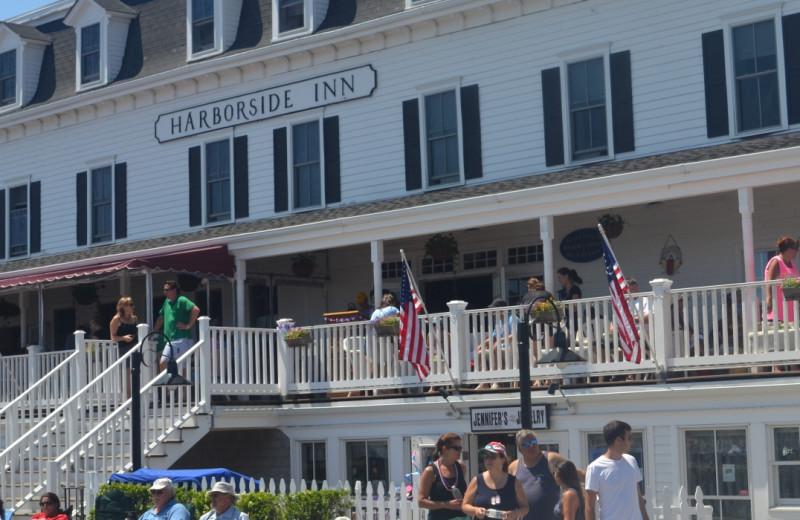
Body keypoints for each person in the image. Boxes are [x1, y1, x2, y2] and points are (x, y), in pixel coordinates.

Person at [508, 430, 581, 520]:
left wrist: (596, 481)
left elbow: (574, 473)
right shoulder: (513, 467)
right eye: (526, 444)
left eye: (533, 442)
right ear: (519, 449)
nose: (531, 446)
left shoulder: (550, 459)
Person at [585, 420, 648, 520]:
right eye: (629, 438)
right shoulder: (595, 468)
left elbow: (639, 497)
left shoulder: (631, 461)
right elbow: (589, 506)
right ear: (618, 440)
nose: (632, 441)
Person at [462, 442, 528, 520]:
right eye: (485, 456)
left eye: (492, 456)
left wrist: (515, 514)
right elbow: (465, 506)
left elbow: (525, 507)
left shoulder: (513, 482)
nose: (488, 460)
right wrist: (475, 510)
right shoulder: (477, 480)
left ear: (503, 460)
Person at [418, 433, 468, 520]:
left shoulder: (461, 468)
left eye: (461, 448)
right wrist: (446, 504)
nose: (460, 451)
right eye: (457, 448)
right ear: (444, 449)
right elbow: (421, 502)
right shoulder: (430, 471)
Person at [154, 280, 201, 370]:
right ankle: (168, 384)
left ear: (174, 290)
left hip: (182, 339)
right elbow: (161, 318)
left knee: (183, 367)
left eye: (167, 290)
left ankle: (183, 385)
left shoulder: (181, 299)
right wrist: (155, 331)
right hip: (169, 340)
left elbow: (196, 310)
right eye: (164, 290)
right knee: (163, 363)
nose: (165, 292)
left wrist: (188, 325)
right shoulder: (166, 302)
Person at [477, 299, 522, 389]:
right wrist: (483, 344)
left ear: (502, 310)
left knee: (496, 349)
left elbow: (515, 334)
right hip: (500, 349)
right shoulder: (499, 322)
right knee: (480, 353)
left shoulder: (512, 318)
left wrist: (500, 341)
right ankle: (483, 383)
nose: (493, 312)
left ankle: (497, 381)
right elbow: (494, 336)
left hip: (511, 349)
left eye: (494, 310)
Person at [765, 236, 799, 324]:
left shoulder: (792, 263)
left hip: (791, 313)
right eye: (796, 249)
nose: (797, 252)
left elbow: (792, 284)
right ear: (789, 250)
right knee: (779, 337)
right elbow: (769, 282)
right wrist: (769, 300)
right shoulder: (776, 261)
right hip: (777, 313)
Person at [110, 296, 139, 397]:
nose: (133, 307)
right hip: (124, 349)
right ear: (124, 307)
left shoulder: (134, 318)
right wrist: (124, 338)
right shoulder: (116, 319)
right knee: (127, 375)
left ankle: (136, 396)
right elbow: (113, 337)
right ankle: (129, 398)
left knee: (137, 371)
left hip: (135, 347)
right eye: (131, 305)